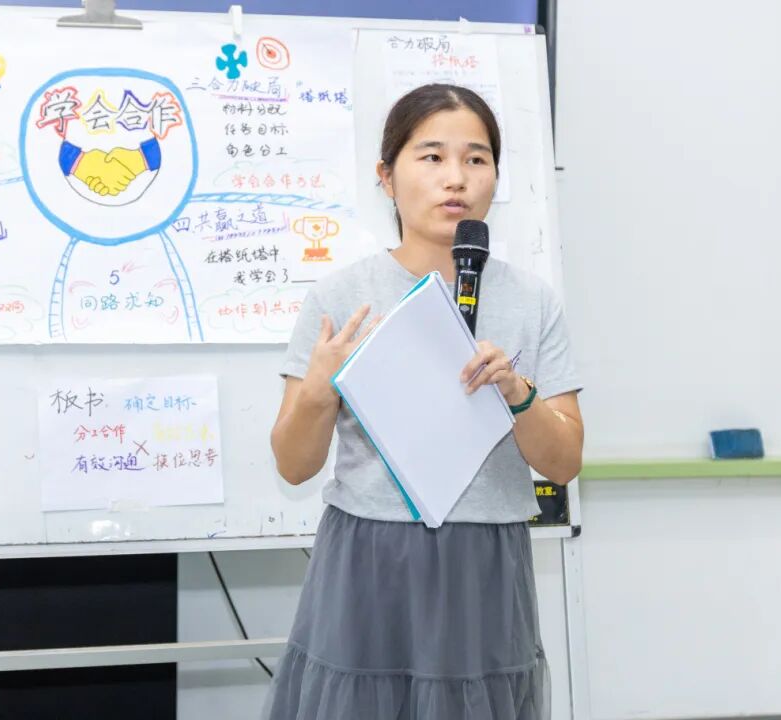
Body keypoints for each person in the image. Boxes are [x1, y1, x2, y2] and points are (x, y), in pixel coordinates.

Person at [261, 83, 584, 720]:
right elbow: (293, 466)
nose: (455, 178)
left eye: (476, 158)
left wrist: (518, 393)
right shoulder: (340, 296)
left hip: (483, 561)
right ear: (387, 176)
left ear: (495, 177)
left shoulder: (532, 301)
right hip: (369, 554)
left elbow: (565, 461)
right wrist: (320, 393)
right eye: (431, 156)